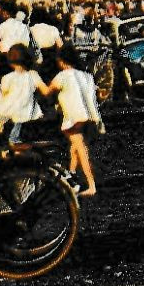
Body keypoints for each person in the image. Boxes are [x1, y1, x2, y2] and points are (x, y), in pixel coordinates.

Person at [40, 45, 104, 196]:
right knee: (74, 148)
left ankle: (91, 185)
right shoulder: (86, 76)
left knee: (80, 148)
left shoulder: (62, 76)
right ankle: (72, 179)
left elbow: (47, 92)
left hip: (74, 116)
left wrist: (35, 80)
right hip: (90, 115)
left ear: (61, 61)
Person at [0, 44, 44, 144]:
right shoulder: (33, 75)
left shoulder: (7, 77)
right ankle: (12, 141)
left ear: (10, 61)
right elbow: (45, 91)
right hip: (28, 111)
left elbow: (4, 93)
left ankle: (4, 141)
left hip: (12, 110)